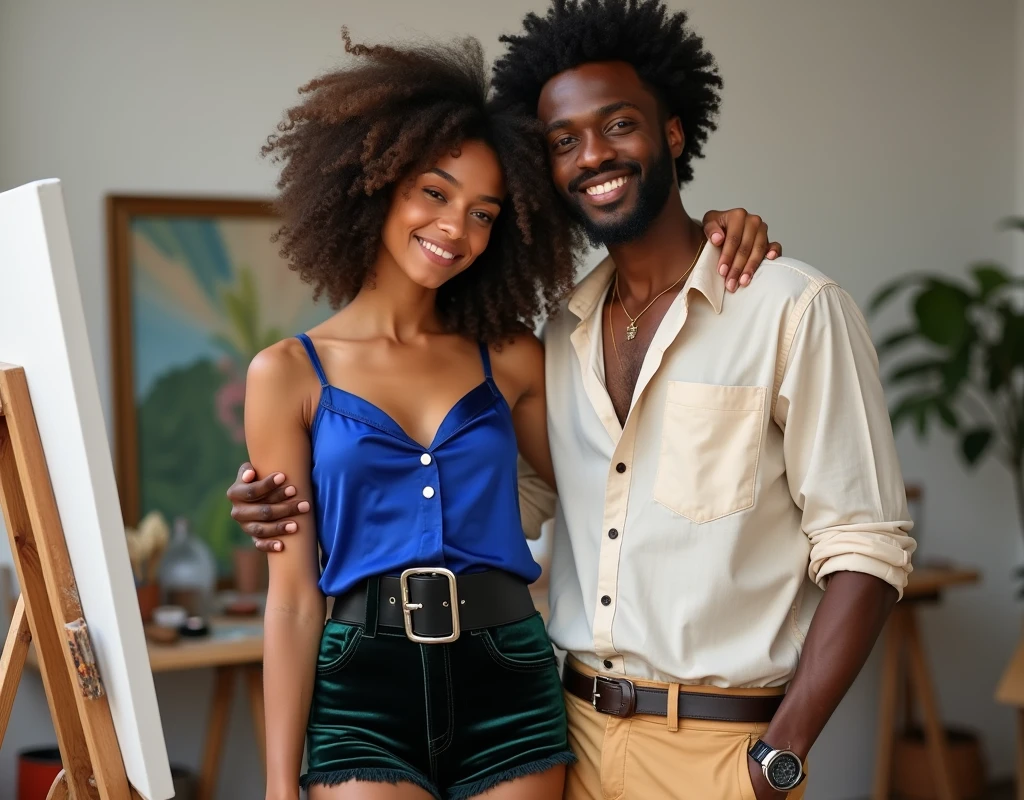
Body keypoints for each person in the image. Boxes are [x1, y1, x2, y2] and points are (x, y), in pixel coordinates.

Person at [241, 25, 780, 800]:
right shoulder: (287, 373)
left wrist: (717, 230)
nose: (456, 229)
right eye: (435, 192)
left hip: (512, 681)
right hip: (361, 688)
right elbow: (291, 601)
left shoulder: (515, 357)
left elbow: (607, 489)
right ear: (377, 181)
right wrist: (275, 785)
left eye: (485, 213)